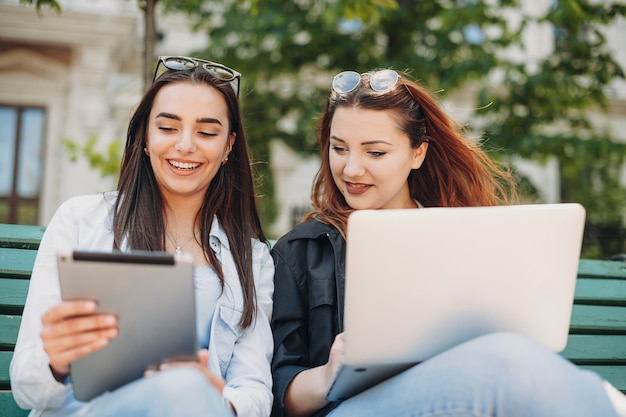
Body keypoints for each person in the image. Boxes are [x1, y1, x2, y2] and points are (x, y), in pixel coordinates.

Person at [270, 68, 626, 417]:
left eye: (375, 153)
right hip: (350, 408)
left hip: (457, 397)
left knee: (506, 358)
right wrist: (331, 373)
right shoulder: (301, 251)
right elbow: (280, 393)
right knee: (504, 363)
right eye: (339, 148)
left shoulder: (463, 236)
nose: (351, 169)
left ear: (417, 154)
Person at [10, 56, 274, 417]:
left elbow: (255, 390)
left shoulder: (252, 258)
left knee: (186, 387)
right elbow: (27, 388)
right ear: (145, 138)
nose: (185, 145)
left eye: (207, 132)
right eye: (167, 128)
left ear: (228, 147)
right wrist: (56, 363)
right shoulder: (80, 221)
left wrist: (220, 396)